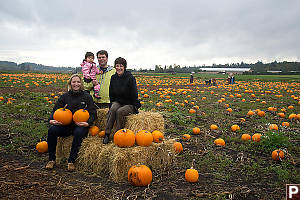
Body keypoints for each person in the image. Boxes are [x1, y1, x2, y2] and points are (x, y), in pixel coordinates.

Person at [46, 74, 97, 171]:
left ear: (81, 84)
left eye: (78, 82)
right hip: (65, 126)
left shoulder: (86, 97)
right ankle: (51, 159)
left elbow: (93, 113)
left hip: (79, 126)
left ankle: (71, 161)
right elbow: (55, 110)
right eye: (74, 82)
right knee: (52, 130)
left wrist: (88, 123)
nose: (76, 84)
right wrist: (51, 119)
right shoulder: (64, 97)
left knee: (78, 133)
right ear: (70, 83)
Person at [103, 57, 141, 144]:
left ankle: (118, 134)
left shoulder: (130, 78)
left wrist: (135, 107)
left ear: (124, 67)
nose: (119, 68)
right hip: (118, 101)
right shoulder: (113, 78)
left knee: (120, 111)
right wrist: (111, 104)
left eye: (121, 66)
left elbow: (134, 94)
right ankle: (107, 134)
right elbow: (111, 93)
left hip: (130, 104)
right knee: (113, 109)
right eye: (117, 66)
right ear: (115, 67)